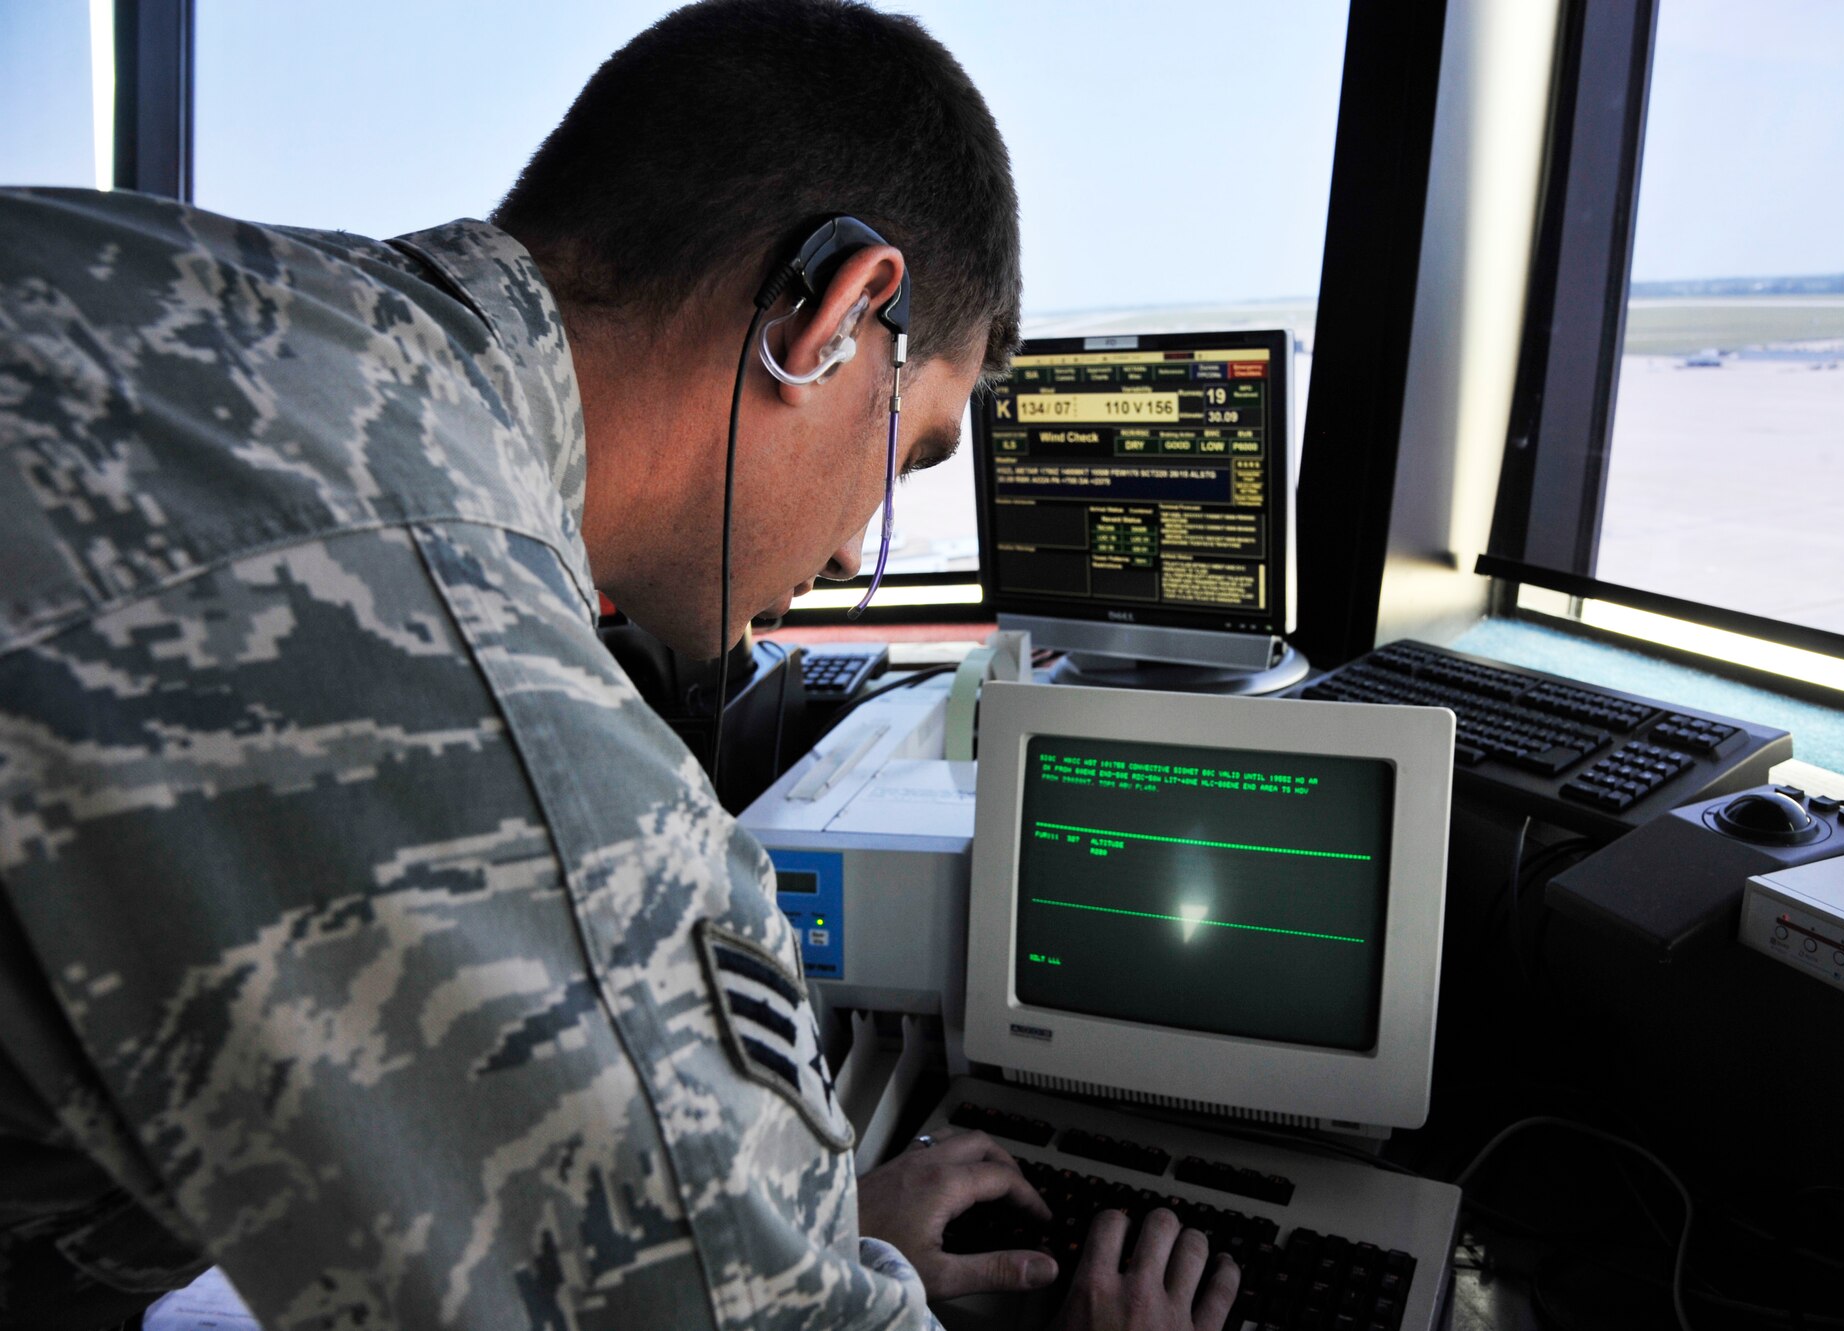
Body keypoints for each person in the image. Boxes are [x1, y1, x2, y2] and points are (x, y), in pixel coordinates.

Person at [0, 2, 1241, 1329]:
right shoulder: (501, 727)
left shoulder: (138, 278)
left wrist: (782, 1227)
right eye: (912, 450)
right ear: (833, 315)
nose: (851, 550)